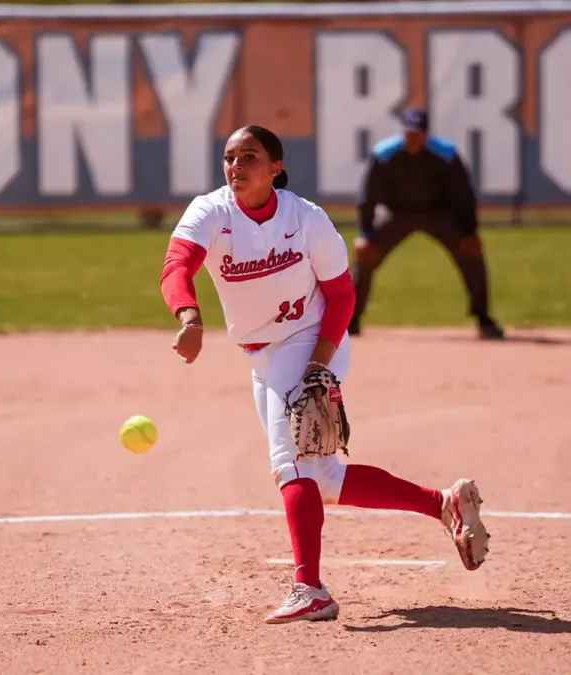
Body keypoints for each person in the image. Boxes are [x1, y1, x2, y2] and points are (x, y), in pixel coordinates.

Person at [159, 125, 490, 624]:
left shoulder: (305, 218)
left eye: (250, 156)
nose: (236, 167)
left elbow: (341, 297)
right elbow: (177, 266)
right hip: (262, 355)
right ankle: (442, 504)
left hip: (313, 341)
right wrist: (189, 316)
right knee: (325, 479)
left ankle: (309, 588)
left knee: (288, 462)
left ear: (275, 167)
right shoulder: (212, 211)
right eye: (229, 157)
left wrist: (319, 363)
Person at [351, 108, 504, 340]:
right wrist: (366, 235)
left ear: (426, 134)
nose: (414, 138)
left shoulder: (446, 154)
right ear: (403, 133)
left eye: (419, 134)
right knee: (365, 256)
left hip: (438, 214)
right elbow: (368, 198)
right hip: (397, 213)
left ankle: (484, 319)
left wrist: (469, 232)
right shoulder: (384, 154)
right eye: (410, 133)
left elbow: (464, 195)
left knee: (472, 254)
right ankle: (351, 321)